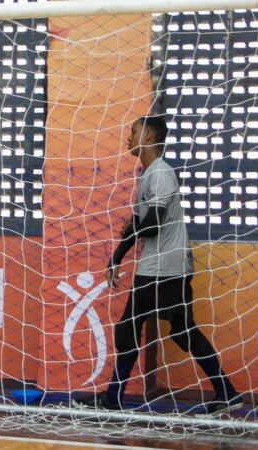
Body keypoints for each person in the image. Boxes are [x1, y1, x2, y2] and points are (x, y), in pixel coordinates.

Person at [75, 115, 242, 416]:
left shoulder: (161, 174)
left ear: (149, 137)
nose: (129, 137)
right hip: (164, 266)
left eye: (133, 131)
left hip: (163, 267)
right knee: (181, 331)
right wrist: (118, 255)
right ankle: (227, 392)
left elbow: (150, 226)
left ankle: (113, 399)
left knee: (129, 327)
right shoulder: (148, 174)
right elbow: (141, 224)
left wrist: (129, 236)